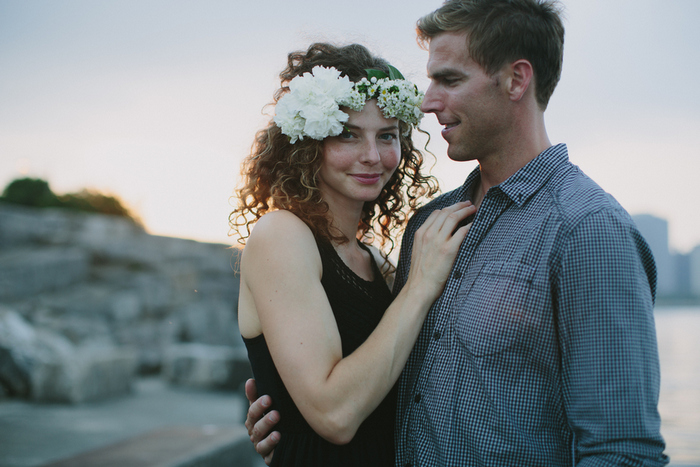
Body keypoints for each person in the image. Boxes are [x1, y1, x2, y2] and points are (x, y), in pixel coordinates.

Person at [246, 1, 670, 465]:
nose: (427, 102)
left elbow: (622, 450)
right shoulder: (430, 227)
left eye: (449, 80)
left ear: (516, 80)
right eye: (348, 134)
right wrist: (288, 415)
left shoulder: (588, 231)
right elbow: (394, 391)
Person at [231, 42, 475, 467]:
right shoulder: (281, 235)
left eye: (387, 136)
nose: (373, 156)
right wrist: (419, 287)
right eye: (348, 134)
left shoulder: (376, 264)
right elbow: (335, 416)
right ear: (309, 143)